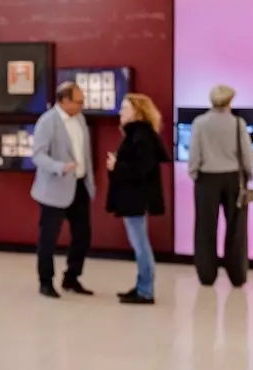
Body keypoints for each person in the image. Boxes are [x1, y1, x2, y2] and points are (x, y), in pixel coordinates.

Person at [31, 81, 96, 298]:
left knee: (83, 235)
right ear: (64, 101)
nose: (82, 105)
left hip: (79, 186)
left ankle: (72, 277)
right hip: (54, 189)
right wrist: (59, 167)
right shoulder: (48, 121)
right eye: (78, 101)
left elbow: (85, 154)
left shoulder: (81, 120)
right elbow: (38, 155)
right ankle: (46, 281)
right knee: (48, 238)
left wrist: (90, 182)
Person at [105, 93, 170, 305]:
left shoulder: (141, 137)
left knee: (140, 244)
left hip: (136, 198)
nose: (120, 112)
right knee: (139, 243)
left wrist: (117, 166)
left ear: (138, 112)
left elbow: (140, 169)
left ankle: (145, 290)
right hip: (135, 197)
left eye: (125, 108)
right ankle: (142, 286)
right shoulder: (138, 135)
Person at [188, 83, 253, 287]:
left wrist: (194, 173)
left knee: (205, 227)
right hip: (233, 178)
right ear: (230, 101)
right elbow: (247, 154)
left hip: (207, 179)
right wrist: (249, 175)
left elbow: (194, 154)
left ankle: (206, 274)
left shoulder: (199, 123)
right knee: (236, 227)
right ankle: (237, 274)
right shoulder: (237, 123)